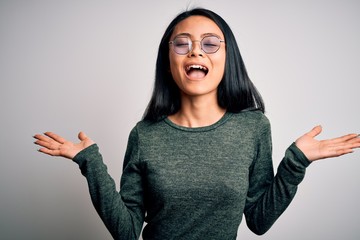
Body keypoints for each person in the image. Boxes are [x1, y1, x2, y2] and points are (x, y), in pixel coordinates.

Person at [33, 8, 360, 240]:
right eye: (182, 44)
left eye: (209, 43)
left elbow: (258, 221)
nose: (195, 53)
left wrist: (296, 162)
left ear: (227, 56)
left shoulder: (253, 128)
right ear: (169, 60)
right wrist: (90, 162)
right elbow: (127, 231)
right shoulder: (145, 135)